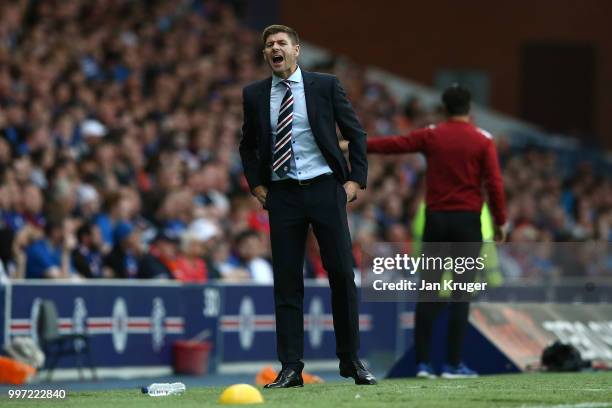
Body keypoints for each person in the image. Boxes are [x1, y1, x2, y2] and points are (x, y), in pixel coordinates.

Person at [239, 24, 375, 388]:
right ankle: (290, 367)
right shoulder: (254, 95)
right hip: (282, 195)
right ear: (266, 54)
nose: (274, 48)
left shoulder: (324, 85)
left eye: (281, 42)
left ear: (296, 50)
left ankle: (351, 361)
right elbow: (247, 146)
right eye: (269, 45)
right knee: (286, 281)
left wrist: (354, 180)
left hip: (324, 189)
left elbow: (356, 133)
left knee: (343, 275)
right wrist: (257, 185)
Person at [343, 84, 507, 379]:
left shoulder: (432, 134)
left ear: (444, 108)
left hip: (436, 221)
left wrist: (354, 144)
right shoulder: (483, 140)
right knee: (461, 293)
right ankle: (454, 364)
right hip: (466, 222)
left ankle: (422, 363)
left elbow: (394, 144)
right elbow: (494, 184)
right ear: (469, 109)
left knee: (429, 291)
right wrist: (500, 221)